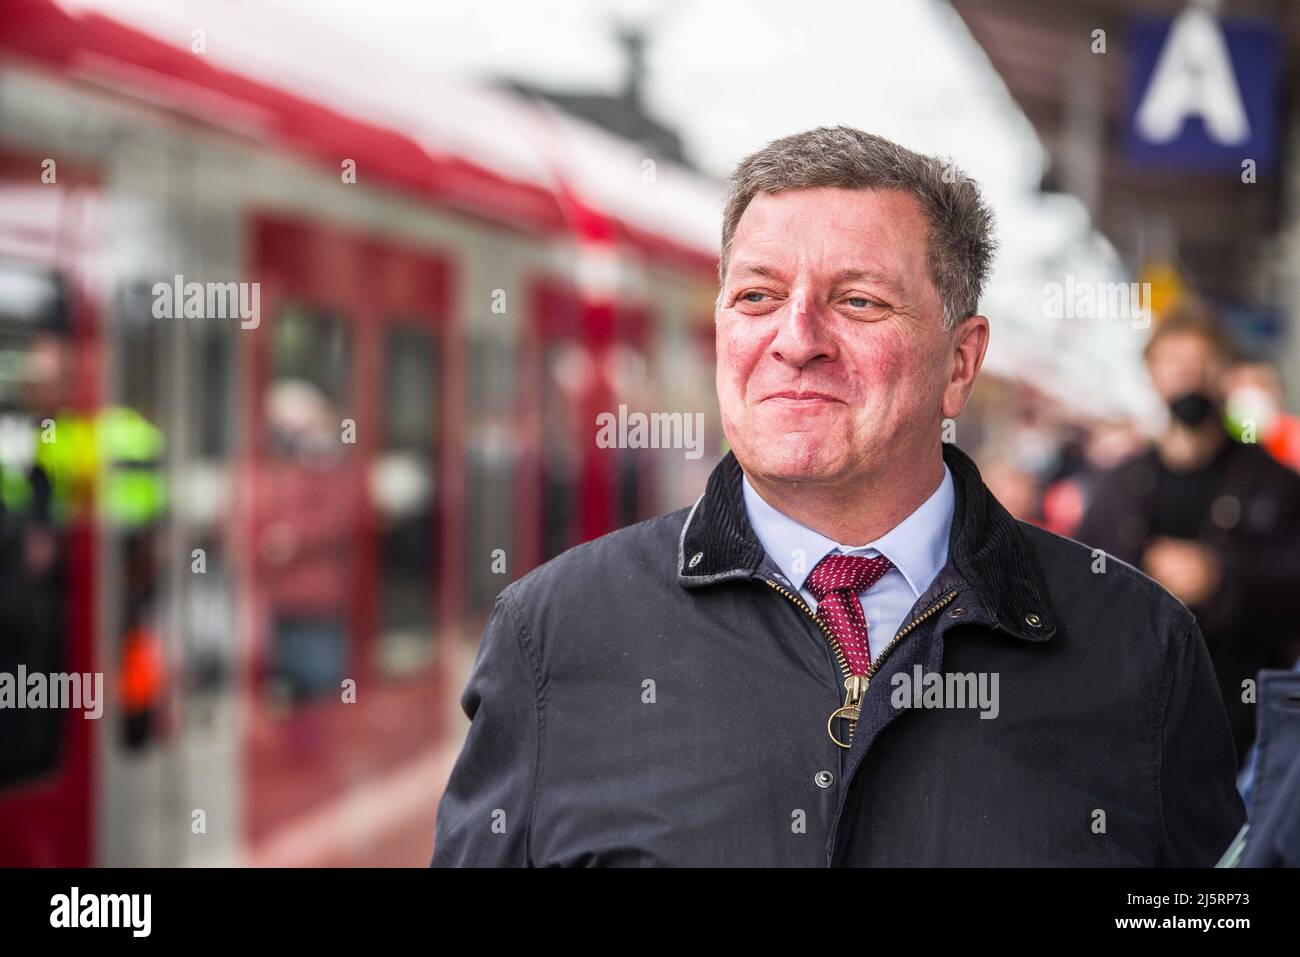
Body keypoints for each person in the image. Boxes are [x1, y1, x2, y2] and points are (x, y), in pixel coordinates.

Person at [431, 126, 1244, 867]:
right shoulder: (554, 636)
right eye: (756, 296)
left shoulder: (1139, 649)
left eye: (858, 301)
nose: (795, 339)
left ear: (960, 364)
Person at [1075, 301, 1300, 767]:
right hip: (1136, 728)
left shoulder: (1275, 484)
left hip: (1247, 732)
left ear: (1225, 373)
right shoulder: (1119, 487)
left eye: (1204, 363)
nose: (1190, 377)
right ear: (1152, 375)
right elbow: (1078, 586)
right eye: (1176, 364)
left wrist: (1222, 578)